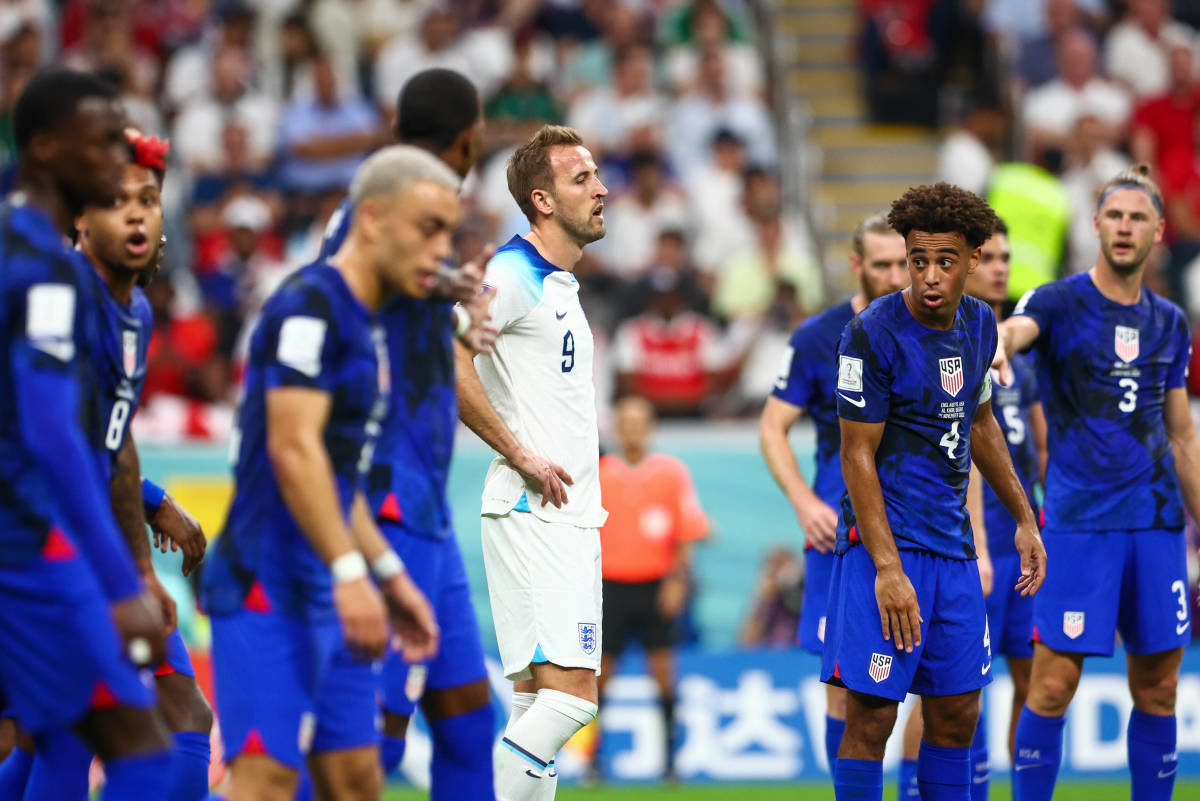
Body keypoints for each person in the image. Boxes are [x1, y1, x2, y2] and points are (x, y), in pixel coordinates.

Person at [199, 146, 444, 801]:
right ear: (372, 220)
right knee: (266, 781)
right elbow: (294, 452)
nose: (440, 249)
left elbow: (341, 480)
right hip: (265, 582)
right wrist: (350, 572)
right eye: (429, 228)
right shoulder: (307, 307)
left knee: (356, 778)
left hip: (331, 582)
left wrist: (387, 574)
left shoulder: (371, 331)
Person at [823, 182, 1046, 801]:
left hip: (952, 553)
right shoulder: (871, 333)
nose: (928, 276)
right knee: (873, 717)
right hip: (885, 550)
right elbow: (856, 454)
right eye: (918, 260)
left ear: (974, 258)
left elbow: (980, 424)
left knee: (958, 716)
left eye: (944, 261)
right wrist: (888, 569)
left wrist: (1024, 519)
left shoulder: (979, 325)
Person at [319, 67, 498, 798]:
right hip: (389, 503)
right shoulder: (382, 220)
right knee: (376, 744)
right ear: (470, 140)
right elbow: (344, 296)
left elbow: (394, 315)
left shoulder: (407, 228)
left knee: (465, 723)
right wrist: (447, 290)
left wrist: (453, 308)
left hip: (424, 509)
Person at [1000, 164, 1199, 801]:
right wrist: (999, 343)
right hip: (1080, 521)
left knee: (1159, 688)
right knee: (1051, 685)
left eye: (1137, 217)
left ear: (1158, 232)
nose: (1124, 226)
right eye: (1114, 215)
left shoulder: (1170, 321)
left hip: (1156, 522)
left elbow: (1182, 434)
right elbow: (1017, 330)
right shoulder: (1057, 301)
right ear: (1095, 225)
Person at [0, 68, 172, 801]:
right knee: (141, 749)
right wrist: (119, 575)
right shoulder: (41, 268)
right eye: (101, 142)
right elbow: (51, 430)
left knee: (65, 739)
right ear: (44, 147)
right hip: (21, 549)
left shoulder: (27, 247)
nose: (116, 156)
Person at [455, 124, 608, 801]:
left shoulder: (559, 285)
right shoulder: (510, 274)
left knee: (532, 703)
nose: (601, 189)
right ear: (542, 200)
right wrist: (518, 451)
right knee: (573, 698)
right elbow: (446, 354)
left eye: (597, 174)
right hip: (537, 512)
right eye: (582, 179)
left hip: (552, 515)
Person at [896, 220, 1050, 801]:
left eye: (1009, 256)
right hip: (965, 543)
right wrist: (983, 546)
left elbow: (1037, 449)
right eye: (993, 257)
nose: (1003, 267)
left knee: (1026, 678)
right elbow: (966, 462)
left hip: (1016, 540)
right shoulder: (940, 340)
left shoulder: (1015, 359)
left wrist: (1035, 520)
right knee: (950, 688)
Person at [758, 211, 907, 776]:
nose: (896, 275)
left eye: (904, 263)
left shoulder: (936, 330)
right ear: (856, 266)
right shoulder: (819, 337)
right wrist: (802, 499)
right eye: (882, 264)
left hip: (917, 526)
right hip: (841, 532)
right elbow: (772, 427)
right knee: (842, 686)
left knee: (934, 687)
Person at [591, 395, 710, 780]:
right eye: (625, 422)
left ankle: (670, 761)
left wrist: (677, 581)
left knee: (663, 675)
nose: (632, 429)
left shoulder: (670, 473)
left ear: (651, 427)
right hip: (610, 586)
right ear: (616, 427)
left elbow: (687, 531)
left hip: (655, 585)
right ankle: (594, 759)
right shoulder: (599, 472)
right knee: (600, 676)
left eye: (639, 422)